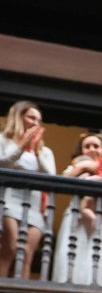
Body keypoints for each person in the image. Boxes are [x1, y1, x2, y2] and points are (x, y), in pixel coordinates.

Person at [52, 132, 102, 286]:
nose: (91, 149)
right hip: (77, 219)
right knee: (75, 257)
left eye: (96, 146)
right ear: (81, 151)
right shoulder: (74, 168)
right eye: (87, 146)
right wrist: (83, 166)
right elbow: (61, 183)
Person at [0, 100, 56, 278]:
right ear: (19, 117)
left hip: (34, 204)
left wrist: (37, 152)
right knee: (10, 247)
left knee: (26, 255)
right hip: (9, 199)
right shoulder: (4, 140)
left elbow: (51, 177)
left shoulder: (45, 151)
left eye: (39, 121)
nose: (35, 123)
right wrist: (21, 147)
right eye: (31, 118)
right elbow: (3, 164)